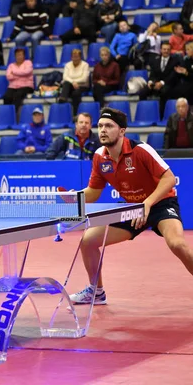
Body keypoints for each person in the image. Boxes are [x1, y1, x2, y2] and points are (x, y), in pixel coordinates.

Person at [69, 107, 193, 305]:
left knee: (177, 244)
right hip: (132, 209)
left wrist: (148, 203)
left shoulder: (140, 150)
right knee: (88, 241)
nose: (102, 130)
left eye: (109, 126)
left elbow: (169, 179)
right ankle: (96, 292)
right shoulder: (100, 157)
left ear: (122, 131)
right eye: (100, 126)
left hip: (160, 204)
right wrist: (73, 198)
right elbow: (93, 191)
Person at [139, 42, 180, 118]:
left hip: (168, 84)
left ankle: (161, 116)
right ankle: (143, 115)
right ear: (161, 50)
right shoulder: (155, 60)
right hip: (155, 84)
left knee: (164, 92)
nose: (166, 51)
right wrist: (150, 82)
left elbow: (173, 76)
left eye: (168, 49)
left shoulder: (175, 61)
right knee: (142, 92)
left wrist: (161, 83)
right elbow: (152, 74)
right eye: (164, 49)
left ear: (170, 50)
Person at [3, 48, 34, 117]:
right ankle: (7, 115)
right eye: (17, 55)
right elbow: (8, 76)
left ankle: (13, 115)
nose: (19, 57)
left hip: (26, 86)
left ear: (24, 56)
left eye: (20, 55)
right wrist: (20, 75)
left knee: (17, 95)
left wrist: (14, 73)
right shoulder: (11, 65)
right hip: (13, 86)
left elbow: (26, 72)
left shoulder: (28, 63)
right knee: (6, 97)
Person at [58, 48, 90, 116]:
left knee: (75, 93)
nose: (75, 58)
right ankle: (62, 99)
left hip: (82, 86)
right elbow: (65, 77)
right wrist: (73, 82)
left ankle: (75, 114)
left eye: (77, 57)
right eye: (73, 57)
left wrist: (75, 82)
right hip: (70, 85)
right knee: (66, 83)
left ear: (80, 57)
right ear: (71, 57)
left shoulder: (85, 65)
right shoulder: (68, 65)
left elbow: (84, 79)